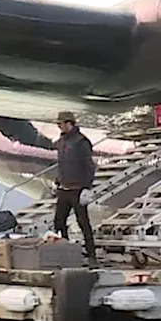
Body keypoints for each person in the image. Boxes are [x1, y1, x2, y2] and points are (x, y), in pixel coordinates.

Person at [53, 112, 97, 266]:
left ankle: (92, 255)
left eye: (61, 124)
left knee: (83, 222)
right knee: (59, 222)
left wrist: (87, 187)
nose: (59, 126)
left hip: (78, 189)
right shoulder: (60, 142)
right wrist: (57, 181)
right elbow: (62, 164)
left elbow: (89, 166)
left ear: (69, 123)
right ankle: (64, 252)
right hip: (64, 189)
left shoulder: (81, 142)